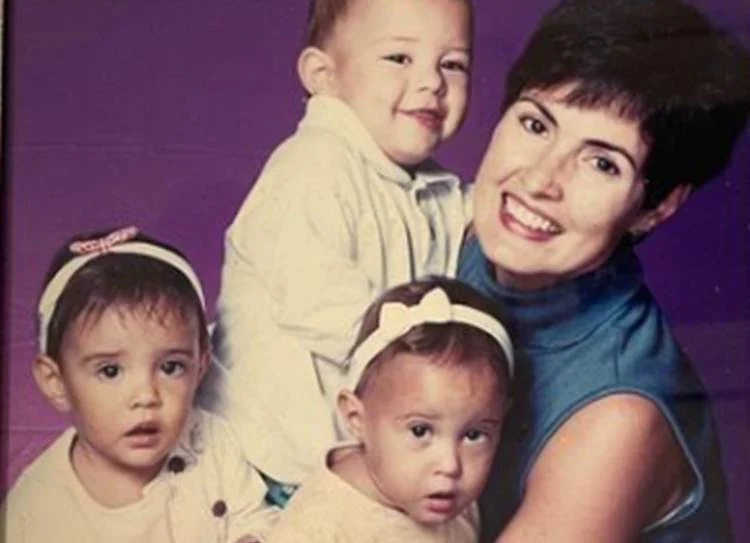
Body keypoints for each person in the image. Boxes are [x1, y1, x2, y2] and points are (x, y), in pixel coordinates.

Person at [456, 0, 750, 541]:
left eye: (602, 162)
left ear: (655, 206)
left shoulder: (619, 417)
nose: (540, 179)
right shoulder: (466, 231)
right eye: (535, 123)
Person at [203, 0, 474, 494]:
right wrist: (433, 359)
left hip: (353, 466)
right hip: (269, 463)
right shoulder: (311, 168)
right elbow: (320, 303)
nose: (433, 82)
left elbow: (487, 228)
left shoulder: (437, 191)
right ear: (323, 75)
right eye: (400, 58)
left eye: (453, 64)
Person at [1, 227, 277, 543]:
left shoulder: (211, 443)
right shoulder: (34, 514)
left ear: (200, 365)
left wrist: (253, 536)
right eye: (110, 371)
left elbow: (255, 516)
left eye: (171, 367)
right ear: (57, 381)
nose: (146, 396)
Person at [267, 277, 514, 542]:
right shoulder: (318, 529)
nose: (450, 464)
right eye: (420, 430)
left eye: (473, 435)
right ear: (356, 419)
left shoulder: (449, 495)